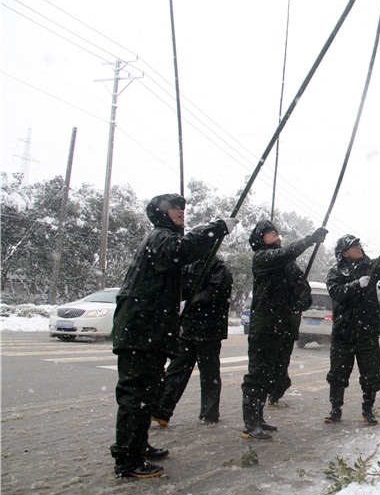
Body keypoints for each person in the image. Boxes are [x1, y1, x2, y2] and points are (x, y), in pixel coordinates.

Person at [110, 193, 238, 478]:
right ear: (159, 213)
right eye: (174, 207)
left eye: (182, 207)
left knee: (148, 391)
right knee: (136, 393)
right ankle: (127, 460)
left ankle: (138, 444)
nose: (180, 211)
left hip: (151, 330)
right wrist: (216, 228)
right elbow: (183, 249)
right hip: (140, 329)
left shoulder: (166, 240)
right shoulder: (160, 237)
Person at [241, 220, 328, 441]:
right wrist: (310, 240)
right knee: (257, 374)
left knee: (272, 374)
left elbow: (304, 297)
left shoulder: (288, 265)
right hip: (265, 326)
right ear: (259, 240)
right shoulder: (262, 258)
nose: (274, 233)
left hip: (284, 328)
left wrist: (300, 295)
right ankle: (250, 423)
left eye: (275, 231)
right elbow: (285, 254)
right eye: (267, 233)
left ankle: (259, 418)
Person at [324, 234, 380, 425]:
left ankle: (368, 408)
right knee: (338, 373)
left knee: (371, 373)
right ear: (344, 252)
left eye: (359, 244)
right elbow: (336, 293)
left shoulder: (369, 267)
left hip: (367, 332)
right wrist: (356, 285)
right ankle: (335, 409)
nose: (358, 247)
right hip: (344, 332)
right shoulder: (335, 271)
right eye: (353, 245)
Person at [151, 255, 233, 426]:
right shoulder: (188, 264)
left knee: (209, 373)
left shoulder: (219, 267)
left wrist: (190, 302)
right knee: (177, 369)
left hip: (209, 329)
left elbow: (216, 293)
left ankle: (209, 414)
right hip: (189, 327)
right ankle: (162, 410)